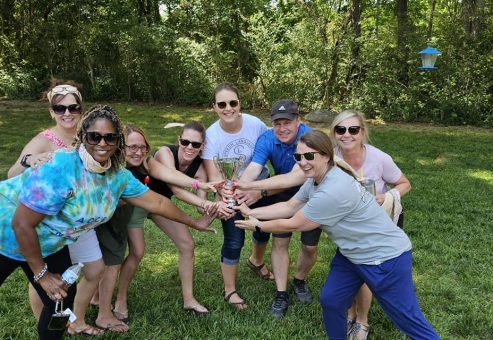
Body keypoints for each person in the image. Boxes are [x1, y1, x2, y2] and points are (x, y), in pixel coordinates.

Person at [0, 104, 214, 340]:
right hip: (5, 234)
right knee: (54, 293)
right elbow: (21, 223)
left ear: (117, 142)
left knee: (60, 303)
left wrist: (195, 223)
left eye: (110, 138)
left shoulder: (118, 177)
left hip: (49, 242)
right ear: (83, 138)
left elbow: (159, 204)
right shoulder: (61, 167)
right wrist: (41, 274)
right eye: (95, 136)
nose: (102, 143)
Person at [234, 130, 439, 340]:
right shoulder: (316, 179)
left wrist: (258, 225)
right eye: (299, 157)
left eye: (309, 156)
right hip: (352, 253)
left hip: (385, 257)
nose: (303, 162)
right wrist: (251, 212)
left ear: (325, 155)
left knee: (407, 318)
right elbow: (289, 206)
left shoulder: (332, 189)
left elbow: (295, 223)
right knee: (332, 301)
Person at [95, 123, 217, 332]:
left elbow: (170, 177)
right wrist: (201, 200)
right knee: (137, 252)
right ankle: (120, 298)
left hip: (159, 203)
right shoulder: (129, 165)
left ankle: (189, 299)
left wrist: (200, 187)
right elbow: (175, 186)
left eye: (142, 147)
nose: (139, 151)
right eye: (133, 147)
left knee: (187, 244)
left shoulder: (148, 161)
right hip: (136, 206)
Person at [7, 81, 105, 336]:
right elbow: (12, 172)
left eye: (73, 107)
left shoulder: (87, 136)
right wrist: (31, 160)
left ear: (81, 109)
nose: (67, 113)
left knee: (93, 270)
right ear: (51, 111)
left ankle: (74, 320)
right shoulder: (44, 139)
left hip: (77, 221)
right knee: (43, 276)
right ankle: (45, 319)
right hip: (45, 225)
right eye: (59, 108)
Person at [234, 99, 319, 318]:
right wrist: (238, 186)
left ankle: (299, 280)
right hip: (282, 192)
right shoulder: (267, 138)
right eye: (277, 123)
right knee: (280, 242)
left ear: (298, 121)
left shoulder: (309, 140)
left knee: (309, 247)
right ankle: (281, 293)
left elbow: (293, 178)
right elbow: (254, 168)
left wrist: (253, 188)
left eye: (287, 122)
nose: (282, 128)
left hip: (312, 195)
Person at [331, 109, 411, 339]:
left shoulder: (379, 157)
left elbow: (404, 183)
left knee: (366, 271)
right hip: (347, 225)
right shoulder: (330, 158)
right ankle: (350, 311)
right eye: (341, 129)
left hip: (379, 224)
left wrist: (387, 197)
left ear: (362, 132)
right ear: (334, 133)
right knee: (350, 268)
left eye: (353, 129)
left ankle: (362, 320)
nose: (347, 135)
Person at [202, 82, 270, 310]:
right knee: (234, 239)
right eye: (222, 104)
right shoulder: (211, 135)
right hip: (229, 192)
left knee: (262, 229)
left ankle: (256, 261)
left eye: (233, 102)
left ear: (239, 104)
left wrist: (256, 190)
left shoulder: (255, 124)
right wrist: (229, 197)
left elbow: (268, 149)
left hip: (258, 187)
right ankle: (229, 289)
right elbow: (213, 175)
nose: (228, 108)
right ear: (214, 107)